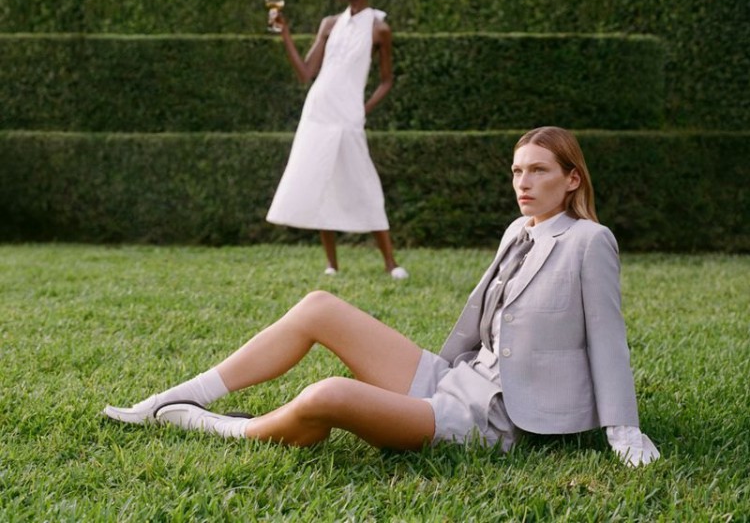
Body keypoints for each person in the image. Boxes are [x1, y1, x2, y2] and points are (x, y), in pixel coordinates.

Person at [103, 126, 660, 467]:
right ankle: (172, 398)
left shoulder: (589, 241)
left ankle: (215, 424)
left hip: (491, 419)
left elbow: (608, 340)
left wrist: (624, 430)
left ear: (571, 179)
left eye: (538, 171)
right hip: (455, 377)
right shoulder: (519, 230)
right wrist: (446, 371)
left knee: (329, 395)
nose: (523, 183)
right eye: (517, 171)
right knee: (319, 306)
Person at [265, 0, 407, 279]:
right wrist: (285, 34)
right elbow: (306, 73)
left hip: (348, 116)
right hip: (318, 112)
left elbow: (386, 80)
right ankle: (332, 264)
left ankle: (391, 263)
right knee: (321, 182)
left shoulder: (379, 28)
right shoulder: (329, 24)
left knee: (364, 182)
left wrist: (363, 109)